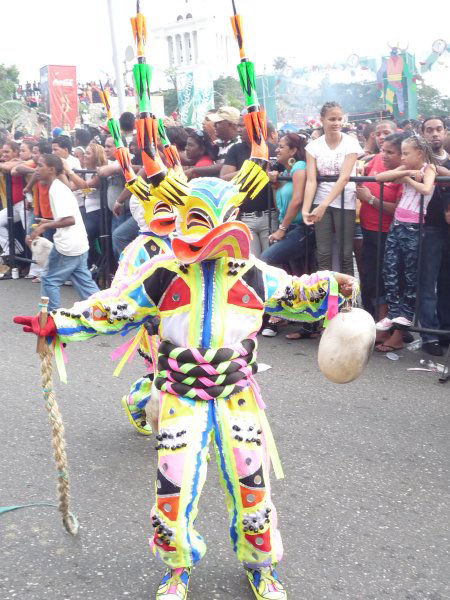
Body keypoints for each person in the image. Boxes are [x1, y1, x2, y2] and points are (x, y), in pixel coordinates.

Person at [374, 135, 436, 352]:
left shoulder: (429, 168)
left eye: (407, 153)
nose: (404, 156)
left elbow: (427, 189)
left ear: (419, 153)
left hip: (414, 226)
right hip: (397, 223)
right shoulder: (406, 169)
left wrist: (408, 180)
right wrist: (406, 172)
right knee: (389, 269)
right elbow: (380, 177)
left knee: (409, 273)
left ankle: (406, 315)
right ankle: (392, 313)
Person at [260, 133, 316, 339]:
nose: (277, 150)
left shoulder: (300, 167)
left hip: (299, 230)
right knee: (299, 275)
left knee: (266, 262)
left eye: (281, 147)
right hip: (290, 227)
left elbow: (298, 200)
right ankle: (304, 323)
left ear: (293, 150)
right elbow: (281, 206)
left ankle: (277, 315)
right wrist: (276, 186)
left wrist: (281, 229)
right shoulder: (286, 171)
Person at [27, 154, 99, 310]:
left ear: (51, 170)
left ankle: (52, 318)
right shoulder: (58, 186)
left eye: (40, 166)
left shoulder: (56, 189)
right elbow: (65, 218)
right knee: (86, 285)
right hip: (78, 243)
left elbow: (69, 220)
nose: (36, 170)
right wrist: (47, 222)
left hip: (68, 245)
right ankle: (106, 312)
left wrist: (44, 227)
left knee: (48, 279)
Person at [302, 101, 363, 275]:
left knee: (345, 254)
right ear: (322, 120)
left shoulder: (351, 143)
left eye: (339, 119)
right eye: (332, 119)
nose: (336, 123)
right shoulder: (313, 146)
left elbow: (344, 177)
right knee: (323, 253)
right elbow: (311, 181)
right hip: (321, 200)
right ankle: (325, 295)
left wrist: (323, 205)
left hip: (345, 201)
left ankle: (349, 298)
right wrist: (307, 209)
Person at [356, 132, 405, 319]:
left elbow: (399, 209)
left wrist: (370, 199)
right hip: (368, 229)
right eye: (383, 150)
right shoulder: (374, 159)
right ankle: (375, 319)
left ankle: (394, 323)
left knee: (390, 280)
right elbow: (363, 177)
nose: (384, 155)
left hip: (390, 233)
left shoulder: (404, 173)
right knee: (371, 277)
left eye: (390, 152)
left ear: (402, 154)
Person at [220, 114, 277, 257]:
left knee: (271, 262)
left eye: (242, 125)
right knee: (251, 263)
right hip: (245, 218)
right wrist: (250, 168)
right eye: (238, 125)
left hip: (270, 216)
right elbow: (224, 178)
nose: (238, 129)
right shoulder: (236, 149)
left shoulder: (272, 149)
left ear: (255, 127)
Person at [418, 116, 450, 355]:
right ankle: (429, 336)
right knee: (428, 283)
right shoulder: (420, 160)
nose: (435, 134)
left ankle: (445, 331)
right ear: (423, 133)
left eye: (439, 129)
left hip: (447, 228)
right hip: (428, 227)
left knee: (447, 283)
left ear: (445, 132)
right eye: (430, 130)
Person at [64, 142, 107, 269]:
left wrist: (69, 171)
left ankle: (97, 267)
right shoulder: (85, 171)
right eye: (85, 153)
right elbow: (72, 187)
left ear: (96, 156)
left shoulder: (100, 171)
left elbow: (85, 186)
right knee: (86, 239)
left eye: (88, 153)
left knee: (86, 237)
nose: (84, 156)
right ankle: (93, 265)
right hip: (89, 211)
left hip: (99, 212)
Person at [0, 141, 27, 257]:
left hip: (26, 204)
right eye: (3, 152)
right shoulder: (6, 162)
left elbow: (8, 167)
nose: (4, 155)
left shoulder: (19, 162)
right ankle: (13, 249)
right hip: (15, 205)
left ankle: (37, 268)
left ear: (15, 153)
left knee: (30, 236)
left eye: (7, 152)